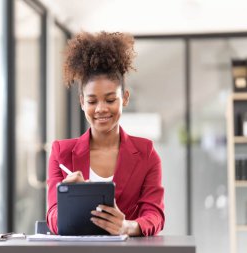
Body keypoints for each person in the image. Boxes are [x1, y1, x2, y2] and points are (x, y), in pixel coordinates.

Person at [46, 31, 165, 236]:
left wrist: (126, 226)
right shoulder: (61, 153)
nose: (101, 109)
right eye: (92, 101)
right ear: (82, 102)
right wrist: (69, 201)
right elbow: (52, 216)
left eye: (110, 100)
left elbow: (154, 213)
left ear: (125, 98)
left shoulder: (146, 153)